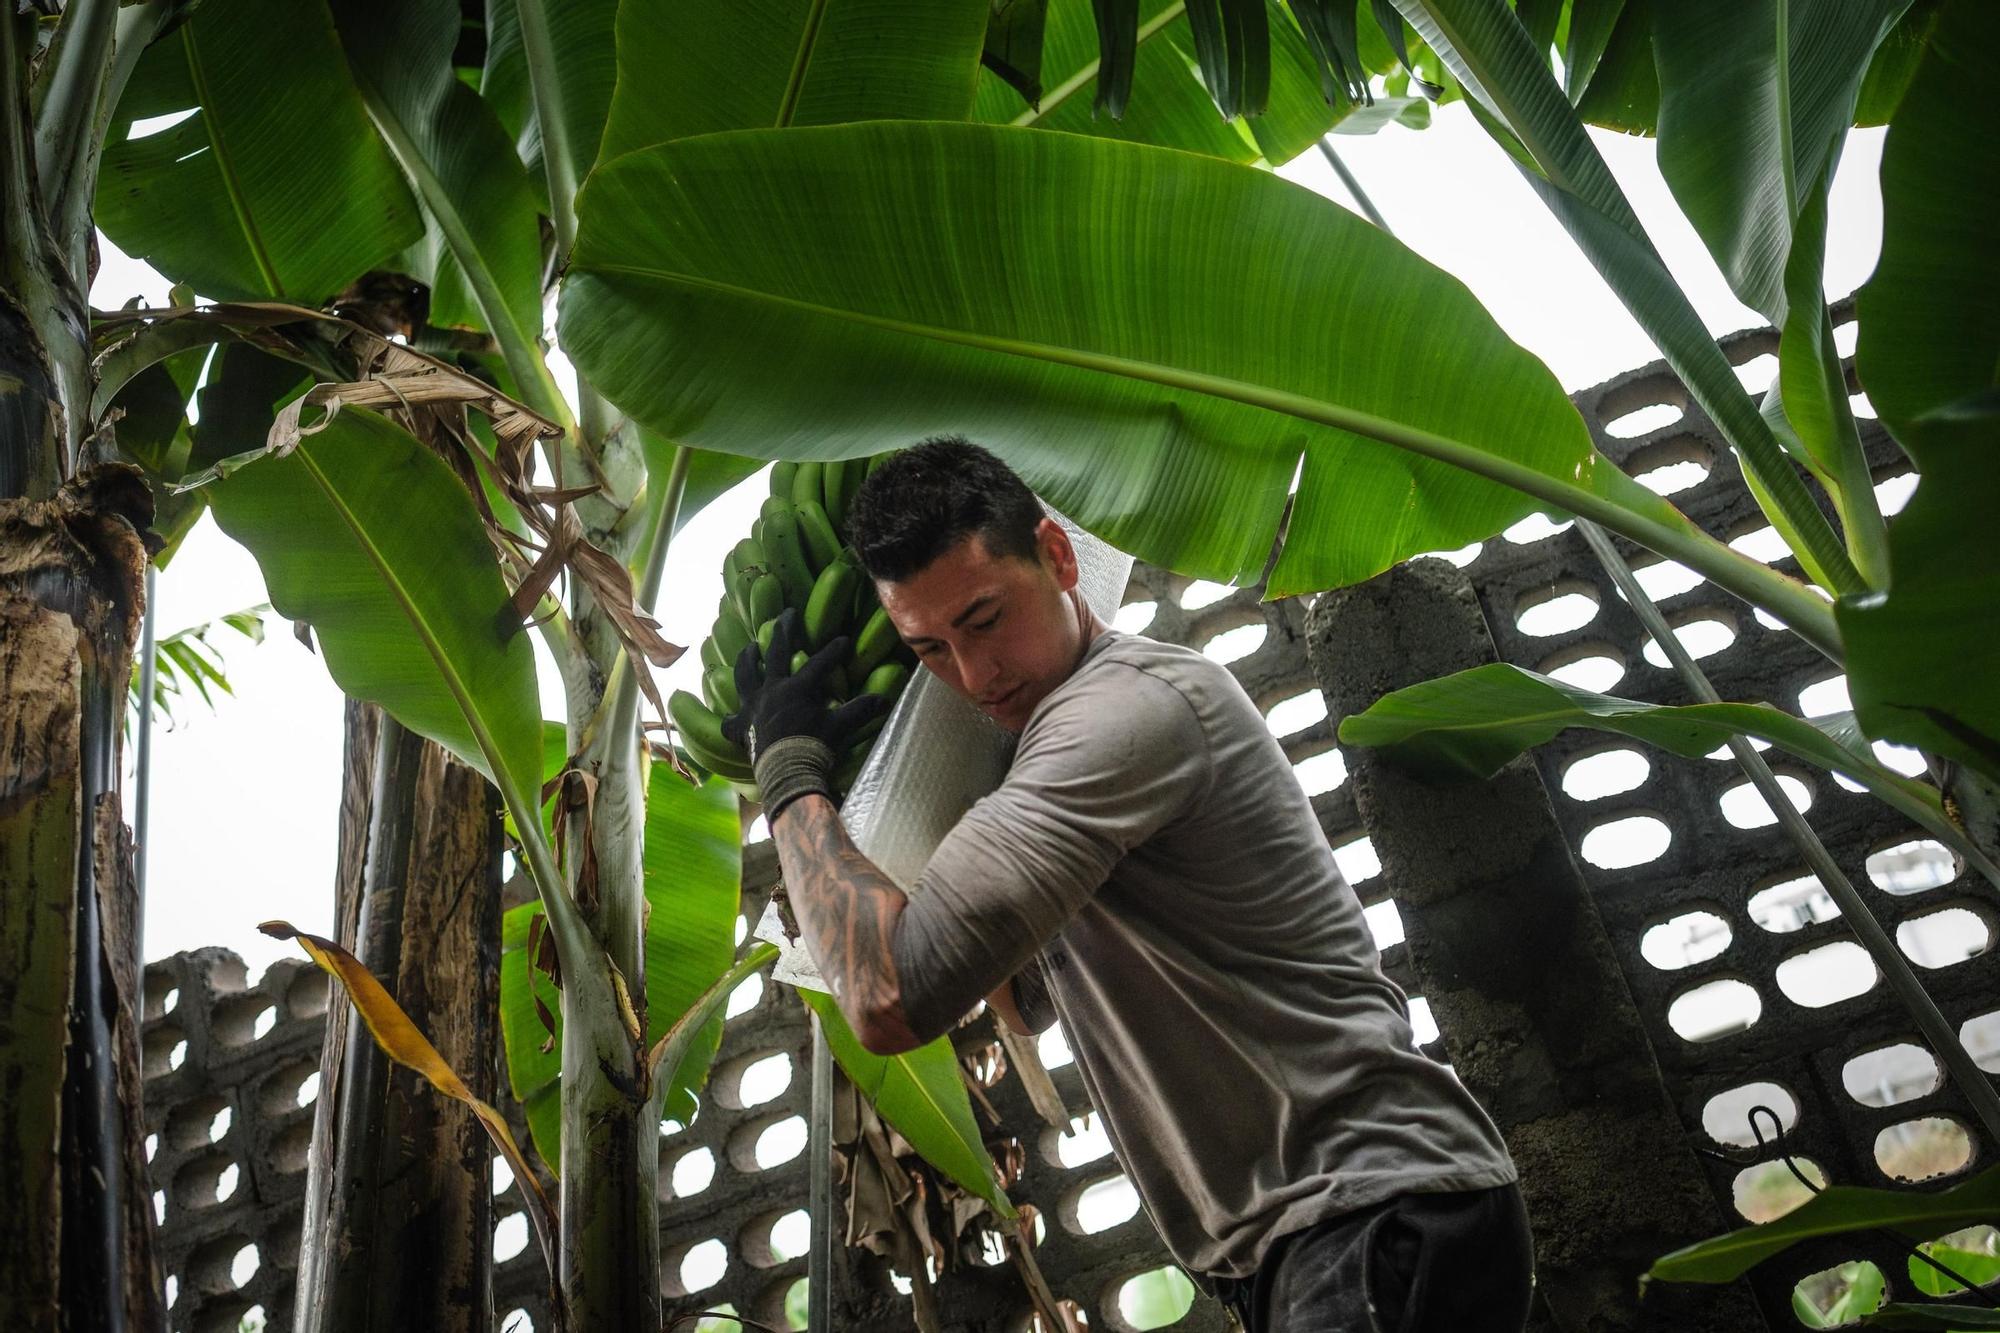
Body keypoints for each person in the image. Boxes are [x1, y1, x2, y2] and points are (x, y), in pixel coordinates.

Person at [725, 438, 1534, 1332]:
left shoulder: (1124, 712)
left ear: (1059, 555)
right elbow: (1021, 999)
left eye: (987, 618)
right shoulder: (1037, 747)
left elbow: (888, 998)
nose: (973, 674)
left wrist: (791, 775)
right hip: (1320, 1233)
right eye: (929, 648)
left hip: (1371, 1212)